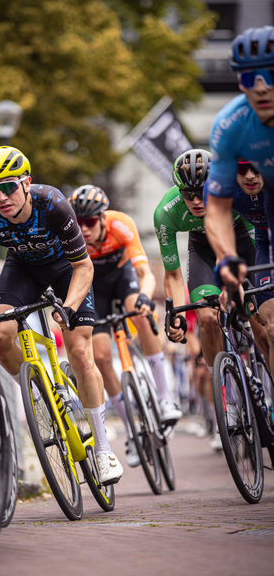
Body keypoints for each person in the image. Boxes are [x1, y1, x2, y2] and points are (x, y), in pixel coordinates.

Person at [0, 146, 123, 485]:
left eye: (8, 186)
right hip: (21, 270)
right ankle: (38, 398)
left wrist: (69, 306)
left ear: (27, 182)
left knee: (82, 352)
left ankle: (102, 450)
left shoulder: (52, 203)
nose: (1, 197)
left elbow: (84, 266)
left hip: (66, 271)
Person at [68, 185, 181, 468]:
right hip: (94, 288)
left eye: (90, 222)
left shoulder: (121, 224)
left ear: (103, 217)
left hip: (122, 277)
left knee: (139, 314)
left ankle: (165, 398)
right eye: (79, 223)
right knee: (102, 357)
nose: (84, 229)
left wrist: (144, 295)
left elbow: (145, 273)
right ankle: (132, 433)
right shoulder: (70, 235)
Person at [154, 149, 257, 450]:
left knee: (259, 315)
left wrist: (237, 284)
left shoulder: (236, 193)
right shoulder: (167, 212)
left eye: (203, 192)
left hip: (240, 238)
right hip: (202, 247)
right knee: (206, 315)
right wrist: (174, 314)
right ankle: (223, 403)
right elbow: (172, 276)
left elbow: (259, 245)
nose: (197, 200)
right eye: (189, 194)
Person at [204, 26, 274, 374]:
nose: (261, 86)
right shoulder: (230, 125)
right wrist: (227, 258)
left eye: (270, 74)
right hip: (268, 224)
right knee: (272, 325)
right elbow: (215, 207)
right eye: (250, 77)